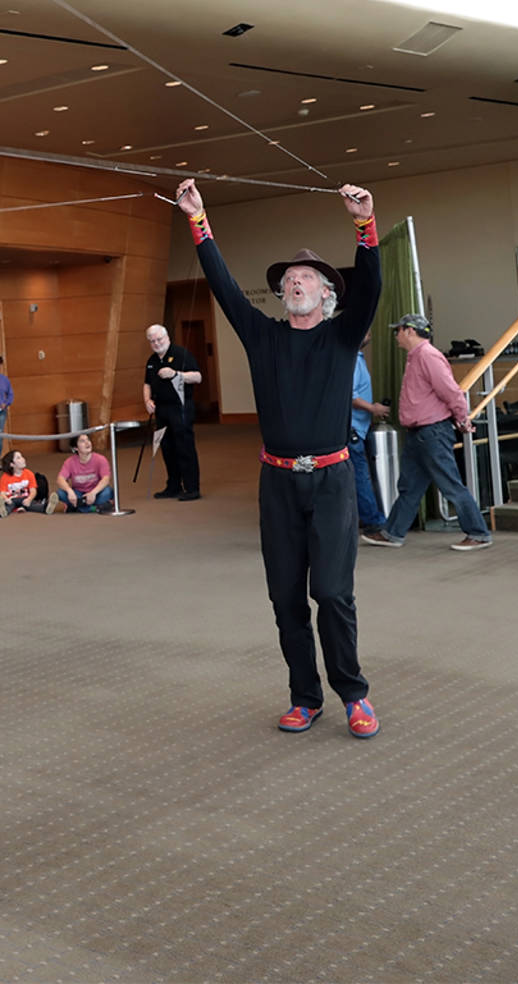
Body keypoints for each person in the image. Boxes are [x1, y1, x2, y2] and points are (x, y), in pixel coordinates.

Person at [178, 176, 384, 738]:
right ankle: (304, 695)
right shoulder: (263, 337)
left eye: (307, 279)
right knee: (285, 595)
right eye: (289, 279)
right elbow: (223, 287)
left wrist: (364, 224)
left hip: (333, 479)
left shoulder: (343, 338)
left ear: (326, 295)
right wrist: (199, 221)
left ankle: (354, 696)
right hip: (277, 485)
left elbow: (370, 287)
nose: (295, 283)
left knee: (333, 594)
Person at [362, 314, 493, 552]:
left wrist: (462, 418)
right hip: (420, 433)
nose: (396, 336)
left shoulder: (427, 356)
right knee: (410, 486)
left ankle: (478, 533)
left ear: (410, 331)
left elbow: (451, 392)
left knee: (450, 483)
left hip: (432, 431)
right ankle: (393, 532)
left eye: (398, 331)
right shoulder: (417, 357)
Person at [143, 324, 203, 501]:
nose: (156, 343)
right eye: (152, 341)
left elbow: (198, 377)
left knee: (184, 447)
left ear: (167, 337)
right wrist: (147, 400)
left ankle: (192, 488)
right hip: (161, 410)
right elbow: (146, 383)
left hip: (181, 407)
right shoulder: (151, 361)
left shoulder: (181, 354)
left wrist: (176, 374)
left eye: (159, 339)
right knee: (167, 448)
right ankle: (173, 486)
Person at [349, 335, 392, 538]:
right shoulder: (350, 359)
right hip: (352, 429)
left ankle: (361, 516)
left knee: (356, 476)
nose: (369, 335)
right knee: (360, 476)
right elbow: (350, 395)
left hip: (360, 426)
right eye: (365, 331)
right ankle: (373, 523)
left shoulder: (357, 357)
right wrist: (372, 408)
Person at [53, 433, 115, 513]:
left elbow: (106, 479)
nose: (87, 443)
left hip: (96, 493)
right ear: (76, 448)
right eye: (82, 441)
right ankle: (95, 508)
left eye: (88, 440)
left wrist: (93, 493)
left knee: (108, 492)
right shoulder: (69, 462)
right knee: (60, 493)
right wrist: (69, 491)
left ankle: (76, 507)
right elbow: (60, 479)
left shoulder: (100, 459)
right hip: (78, 494)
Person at [0, 449, 49, 515]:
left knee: (32, 505)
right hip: (12, 499)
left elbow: (33, 490)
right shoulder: (5, 477)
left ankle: (46, 508)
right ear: (12, 464)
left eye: (22, 457)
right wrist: (6, 499)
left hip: (25, 498)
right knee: (9, 506)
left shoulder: (29, 474)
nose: (23, 459)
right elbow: (2, 493)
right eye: (18, 458)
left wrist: (29, 499)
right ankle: (3, 511)